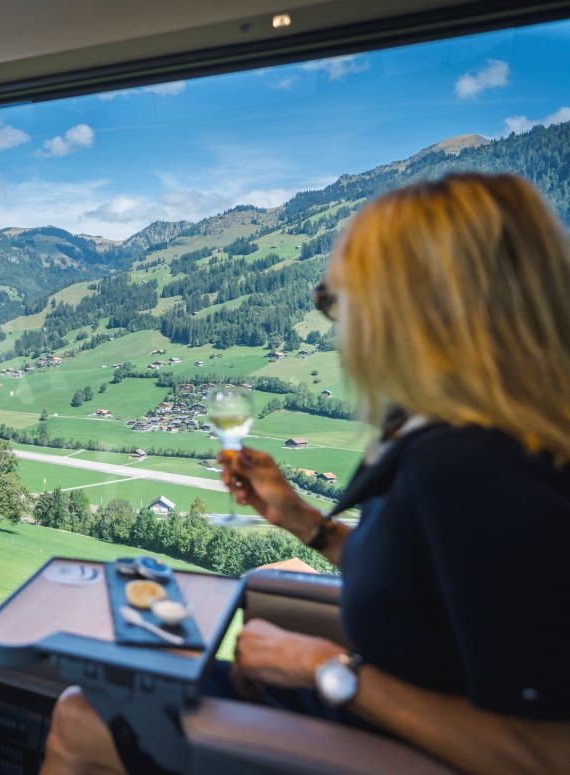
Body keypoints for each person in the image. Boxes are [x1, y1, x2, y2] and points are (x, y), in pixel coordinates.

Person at [40, 173, 570, 774]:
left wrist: (320, 665)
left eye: (337, 303)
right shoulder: (479, 440)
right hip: (380, 722)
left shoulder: (478, 466)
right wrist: (302, 521)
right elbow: (422, 592)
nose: (336, 330)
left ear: (415, 310)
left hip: (376, 739)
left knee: (80, 716)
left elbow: (547, 754)